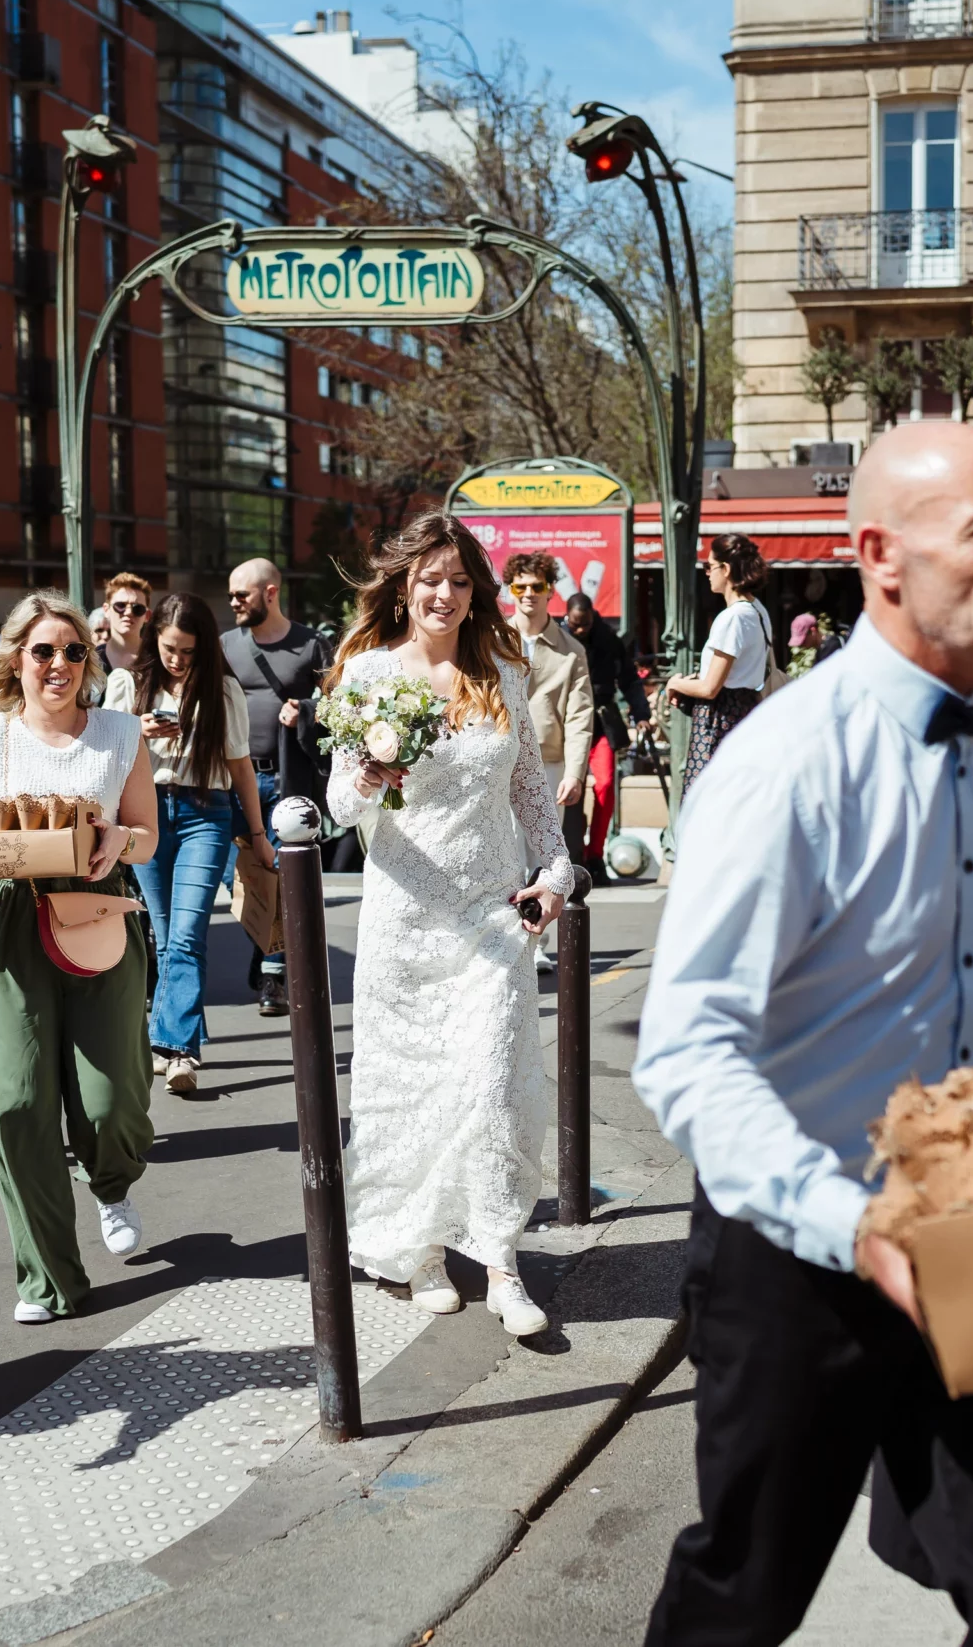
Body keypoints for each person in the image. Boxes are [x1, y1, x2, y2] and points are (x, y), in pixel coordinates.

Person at [633, 423, 973, 1644]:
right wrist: (852, 1224)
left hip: (972, 1227)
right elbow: (685, 1050)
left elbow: (965, 1012)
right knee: (744, 1592)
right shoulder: (784, 765)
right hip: (799, 1252)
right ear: (878, 556)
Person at [326, 511, 577, 1338]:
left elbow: (530, 796)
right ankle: (425, 1249)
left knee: (496, 1080)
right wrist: (365, 771)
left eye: (460, 580)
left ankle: (502, 1259)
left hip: (492, 914)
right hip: (404, 920)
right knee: (414, 1088)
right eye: (431, 578)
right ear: (404, 586)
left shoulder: (500, 671)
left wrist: (556, 873)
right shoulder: (367, 674)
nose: (445, 593)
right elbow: (337, 807)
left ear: (478, 593)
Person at [0, 592, 160, 1322]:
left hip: (97, 907)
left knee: (109, 1099)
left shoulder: (119, 733)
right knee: (15, 1101)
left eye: (75, 651)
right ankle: (47, 1276)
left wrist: (115, 842)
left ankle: (112, 1180)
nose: (60, 665)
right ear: (17, 658)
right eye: (44, 651)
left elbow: (146, 835)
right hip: (8, 917)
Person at [108, 593, 268, 1096]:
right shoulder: (128, 684)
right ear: (155, 637)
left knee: (186, 934)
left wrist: (260, 836)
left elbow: (240, 766)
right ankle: (183, 1034)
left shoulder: (221, 690)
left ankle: (175, 1049)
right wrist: (136, 728)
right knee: (162, 932)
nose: (177, 659)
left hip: (206, 813)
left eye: (188, 651)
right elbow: (99, 755)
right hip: (146, 813)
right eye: (170, 648)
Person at [222, 557, 331, 1016]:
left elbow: (338, 707)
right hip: (234, 781)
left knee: (283, 879)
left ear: (270, 593)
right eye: (230, 594)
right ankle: (264, 953)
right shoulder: (225, 646)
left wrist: (306, 709)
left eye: (241, 595)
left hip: (288, 780)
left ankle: (273, 976)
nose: (233, 602)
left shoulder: (312, 646)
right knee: (243, 880)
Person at [504, 551, 595, 969]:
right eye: (518, 586)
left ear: (549, 591)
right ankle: (502, 937)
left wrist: (576, 772)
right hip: (498, 760)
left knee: (544, 857)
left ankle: (535, 945)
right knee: (504, 853)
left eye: (535, 587)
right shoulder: (490, 637)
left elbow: (580, 717)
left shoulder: (570, 650)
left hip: (549, 762)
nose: (526, 594)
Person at [664, 531, 773, 790]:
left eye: (709, 566)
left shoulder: (733, 618)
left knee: (707, 803)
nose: (707, 573)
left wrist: (675, 683)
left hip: (719, 721)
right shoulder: (758, 610)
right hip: (745, 711)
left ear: (725, 569)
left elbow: (710, 688)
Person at [565, 591, 648, 880]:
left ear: (592, 617)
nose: (579, 630)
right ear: (567, 618)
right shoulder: (560, 637)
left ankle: (595, 854)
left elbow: (628, 678)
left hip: (601, 720)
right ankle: (570, 852)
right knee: (569, 789)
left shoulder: (608, 638)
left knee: (606, 785)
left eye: (584, 624)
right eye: (574, 624)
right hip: (567, 723)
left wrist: (642, 715)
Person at [97, 571, 154, 699]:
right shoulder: (91, 659)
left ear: (147, 615)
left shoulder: (156, 659)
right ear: (106, 610)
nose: (128, 612)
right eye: (120, 606)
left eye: (137, 608)